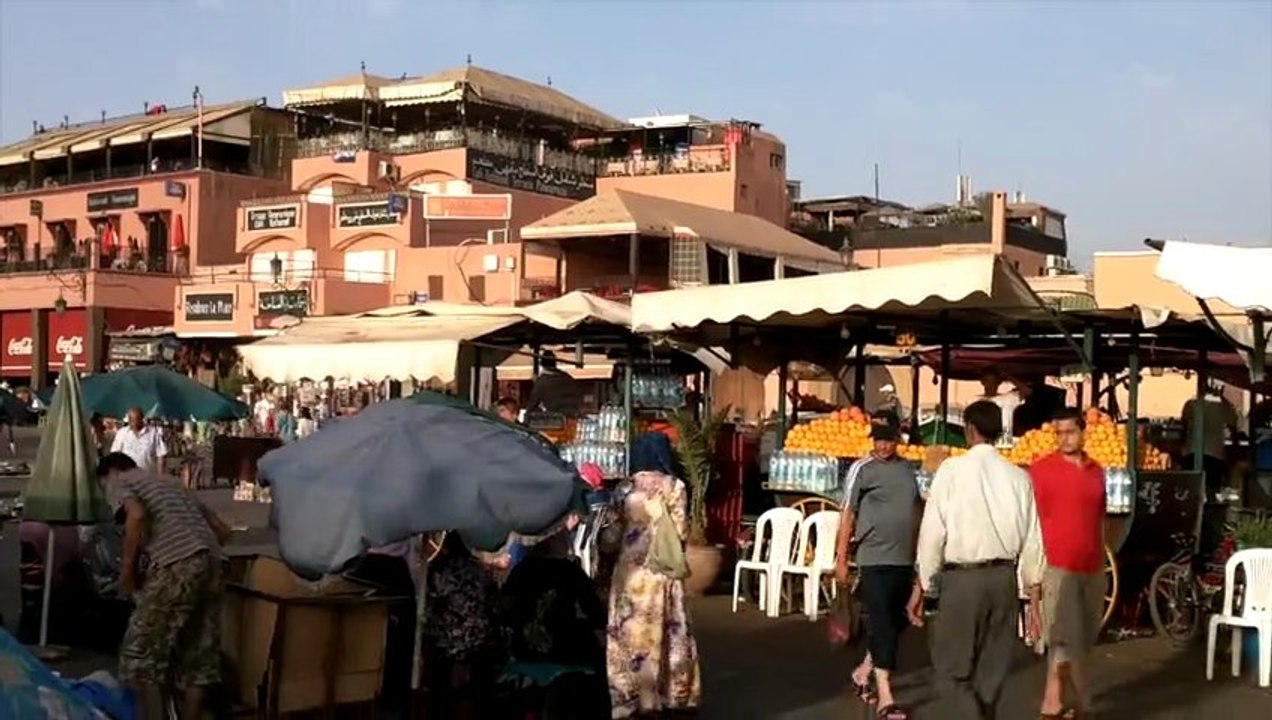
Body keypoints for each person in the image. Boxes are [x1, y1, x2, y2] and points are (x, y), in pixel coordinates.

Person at [917, 400, 1045, 720]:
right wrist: (1033, 594)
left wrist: (925, 584)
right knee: (993, 668)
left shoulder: (951, 470)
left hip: (963, 581)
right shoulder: (1020, 477)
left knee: (951, 666)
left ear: (970, 430)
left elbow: (932, 532)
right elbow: (1034, 540)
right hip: (1003, 579)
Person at [97, 452, 231, 720]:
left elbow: (136, 515)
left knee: (138, 656)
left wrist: (127, 574)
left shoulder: (122, 480)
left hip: (178, 565)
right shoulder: (171, 483)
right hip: (214, 563)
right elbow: (222, 530)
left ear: (110, 473)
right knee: (199, 658)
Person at [606, 433, 701, 718]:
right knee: (668, 631)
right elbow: (681, 532)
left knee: (627, 634)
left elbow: (611, 535)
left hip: (629, 574)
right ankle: (668, 695)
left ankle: (628, 698)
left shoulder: (625, 488)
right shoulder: (675, 487)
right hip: (662, 573)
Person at [834, 413, 923, 717]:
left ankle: (864, 672)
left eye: (889, 440)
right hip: (874, 557)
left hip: (903, 559)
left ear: (898, 440)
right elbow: (847, 513)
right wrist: (841, 558)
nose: (884, 446)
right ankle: (886, 693)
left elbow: (916, 509)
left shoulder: (907, 470)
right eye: (879, 440)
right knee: (882, 618)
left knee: (897, 622)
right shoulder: (862, 469)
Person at [1029, 407, 1107, 719]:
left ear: (1083, 431)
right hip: (1058, 566)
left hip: (1092, 567)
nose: (1064, 438)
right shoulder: (1041, 470)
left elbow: (1100, 517)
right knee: (1061, 635)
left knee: (1084, 636)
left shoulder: (1097, 471)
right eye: (1058, 433)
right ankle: (1061, 701)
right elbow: (1032, 520)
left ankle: (1059, 699)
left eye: (1070, 432)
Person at [500, 516, 611, 718]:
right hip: (564, 650)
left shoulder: (521, 570)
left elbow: (506, 609)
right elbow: (595, 611)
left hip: (524, 648)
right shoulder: (570, 571)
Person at [424, 532, 502, 720]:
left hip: (446, 643)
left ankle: (438, 712)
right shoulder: (482, 571)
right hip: (479, 641)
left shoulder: (439, 570)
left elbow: (428, 609)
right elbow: (494, 605)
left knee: (438, 678)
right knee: (484, 682)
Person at [1181, 384, 1239, 497]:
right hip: (1214, 454)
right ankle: (1210, 511)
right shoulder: (1223, 406)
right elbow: (1234, 423)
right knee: (1211, 490)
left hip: (1191, 452)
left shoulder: (1191, 404)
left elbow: (1184, 426)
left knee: (1191, 489)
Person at [525, 351, 584, 416]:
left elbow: (531, 405)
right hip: (574, 414)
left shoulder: (541, 383)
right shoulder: (568, 377)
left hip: (556, 417)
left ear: (542, 365)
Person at [110, 407, 167, 473]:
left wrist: (160, 476)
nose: (132, 423)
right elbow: (114, 455)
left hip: (148, 476)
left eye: (135, 420)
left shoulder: (153, 433)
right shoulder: (122, 433)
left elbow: (161, 455)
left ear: (141, 419)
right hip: (127, 477)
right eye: (130, 420)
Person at [977, 368, 1020, 442]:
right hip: (983, 443)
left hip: (1004, 442)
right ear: (982, 382)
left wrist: (1009, 378)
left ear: (999, 382)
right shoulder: (974, 401)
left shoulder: (1009, 398)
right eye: (987, 381)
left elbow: (1026, 390)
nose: (990, 385)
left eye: (994, 381)